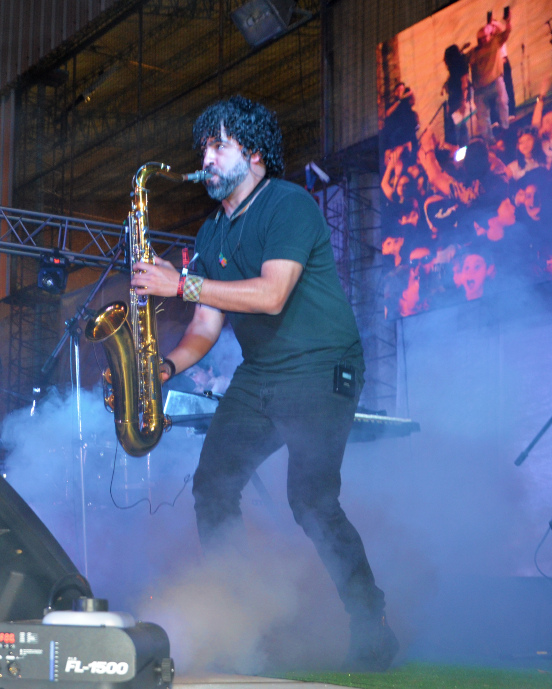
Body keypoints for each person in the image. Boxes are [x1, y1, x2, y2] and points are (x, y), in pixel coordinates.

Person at [130, 96, 398, 671]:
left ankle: (370, 622)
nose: (206, 156)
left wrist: (181, 286)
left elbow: (272, 294)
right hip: (262, 373)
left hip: (323, 363)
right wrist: (167, 368)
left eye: (219, 144)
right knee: (213, 486)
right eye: (203, 145)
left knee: (311, 501)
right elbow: (205, 328)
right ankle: (248, 616)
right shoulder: (210, 232)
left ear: (253, 154)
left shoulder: (289, 204)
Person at [469, 12, 511, 143]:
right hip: (480, 89)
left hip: (495, 82)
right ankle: (488, 140)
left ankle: (505, 129)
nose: (483, 40)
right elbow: (464, 64)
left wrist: (506, 21)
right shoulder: (474, 52)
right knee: (483, 116)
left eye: (484, 37)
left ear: (489, 36)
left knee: (503, 102)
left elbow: (507, 32)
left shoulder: (495, 42)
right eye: (480, 38)